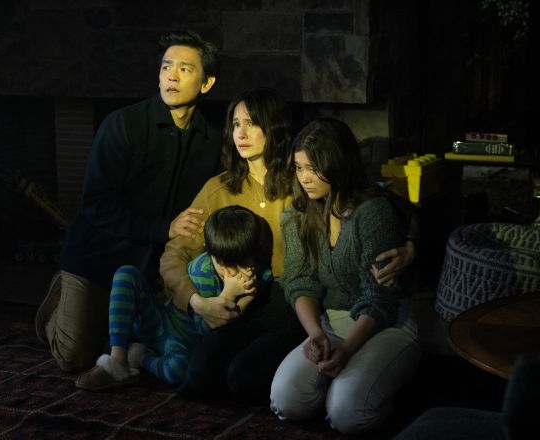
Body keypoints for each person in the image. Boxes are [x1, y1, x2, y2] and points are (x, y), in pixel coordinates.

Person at [160, 88, 416, 403]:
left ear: (274, 128)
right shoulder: (219, 189)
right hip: (244, 296)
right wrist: (197, 302)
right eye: (236, 124)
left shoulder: (305, 179)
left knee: (244, 376)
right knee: (199, 376)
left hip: (293, 297)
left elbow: (379, 205)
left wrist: (410, 243)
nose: (241, 133)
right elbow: (175, 253)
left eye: (252, 123)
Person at [35, 30, 223, 373]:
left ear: (206, 83)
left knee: (166, 346)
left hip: (151, 270)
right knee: (74, 356)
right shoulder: (123, 124)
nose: (172, 76)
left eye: (184, 69)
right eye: (166, 67)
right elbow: (95, 204)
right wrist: (164, 228)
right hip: (97, 258)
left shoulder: (211, 141)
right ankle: (57, 303)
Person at [269, 118, 422, 434]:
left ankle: (380, 394)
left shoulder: (372, 212)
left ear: (338, 164)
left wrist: (347, 351)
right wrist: (316, 334)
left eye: (314, 168)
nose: (304, 178)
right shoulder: (297, 216)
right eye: (299, 168)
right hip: (332, 324)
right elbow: (299, 282)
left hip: (385, 325)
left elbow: (379, 298)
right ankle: (343, 387)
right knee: (286, 400)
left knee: (346, 414)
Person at [73, 205, 274, 390]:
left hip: (183, 344)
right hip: (162, 321)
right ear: (210, 252)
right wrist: (229, 293)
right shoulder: (203, 269)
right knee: (126, 274)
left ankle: (141, 357)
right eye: (223, 264)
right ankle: (117, 359)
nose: (232, 271)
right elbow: (205, 324)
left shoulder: (261, 275)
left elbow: (209, 337)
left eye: (241, 263)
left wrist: (247, 297)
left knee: (179, 370)